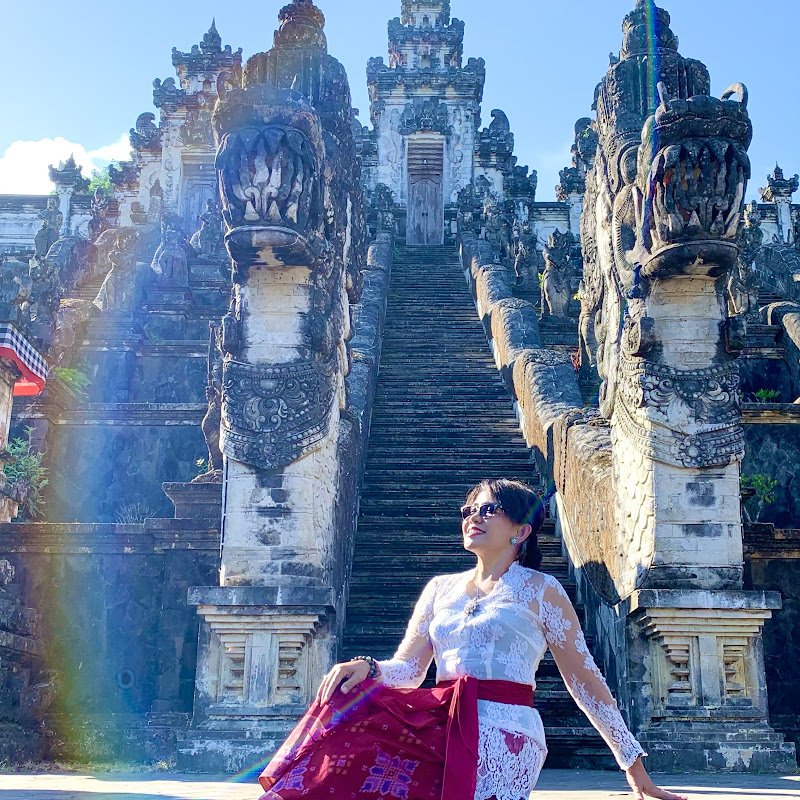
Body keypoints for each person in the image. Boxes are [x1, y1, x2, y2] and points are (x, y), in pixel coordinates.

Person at [258, 479, 687, 800]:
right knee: (346, 719)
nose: (473, 517)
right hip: (439, 723)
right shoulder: (439, 589)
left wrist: (632, 765)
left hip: (507, 732)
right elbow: (408, 671)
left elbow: (584, 681)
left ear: (520, 531)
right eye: (469, 510)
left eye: (488, 509)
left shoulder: (542, 590)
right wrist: (367, 666)